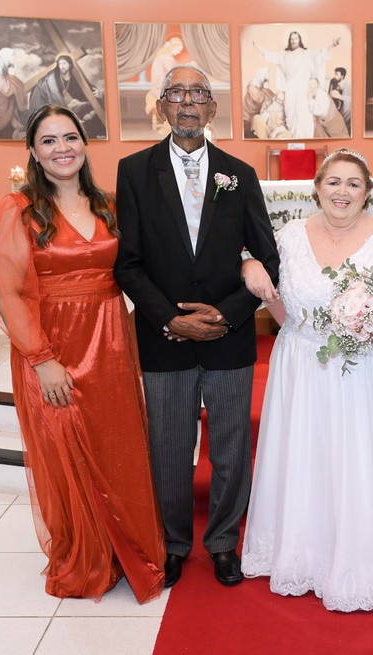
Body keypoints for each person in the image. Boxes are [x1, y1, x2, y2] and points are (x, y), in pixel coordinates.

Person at [239, 149, 373, 612]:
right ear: (317, 187)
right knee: (310, 453)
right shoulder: (290, 236)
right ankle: (305, 549)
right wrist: (253, 271)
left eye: (353, 184)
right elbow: (275, 297)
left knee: (359, 455)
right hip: (304, 365)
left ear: (368, 192)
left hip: (370, 367)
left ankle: (369, 550)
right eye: (333, 182)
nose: (342, 191)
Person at [0, 104, 166, 601]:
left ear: (84, 144)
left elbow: (137, 269)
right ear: (34, 152)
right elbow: (6, 291)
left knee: (116, 449)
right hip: (50, 345)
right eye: (49, 140)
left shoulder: (109, 204)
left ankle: (126, 548)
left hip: (108, 342)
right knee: (64, 451)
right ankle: (84, 557)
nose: (61, 148)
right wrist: (41, 359)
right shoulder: (19, 209)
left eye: (70, 137)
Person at [114, 65, 280, 589]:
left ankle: (226, 542)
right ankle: (175, 544)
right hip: (164, 339)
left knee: (231, 447)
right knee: (168, 449)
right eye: (177, 94)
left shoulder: (240, 173)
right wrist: (171, 319)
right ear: (162, 105)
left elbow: (267, 258)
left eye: (199, 95)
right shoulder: (133, 171)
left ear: (213, 108)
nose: (188, 103)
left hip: (229, 337)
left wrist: (227, 316)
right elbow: (128, 263)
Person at [253, 31, 341, 139]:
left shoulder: (306, 53)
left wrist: (333, 45)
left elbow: (320, 53)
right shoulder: (284, 55)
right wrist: (258, 47)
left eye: (296, 38)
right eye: (292, 39)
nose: (294, 41)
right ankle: (293, 141)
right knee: (290, 116)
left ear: (300, 40)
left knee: (304, 116)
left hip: (303, 91)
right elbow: (269, 55)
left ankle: (306, 141)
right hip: (290, 91)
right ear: (289, 41)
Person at [29, 54, 104, 139]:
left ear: (70, 64)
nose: (62, 66)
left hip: (68, 106)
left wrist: (96, 92)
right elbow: (53, 94)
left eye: (64, 63)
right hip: (51, 102)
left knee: (88, 115)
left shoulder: (74, 78)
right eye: (60, 64)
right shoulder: (53, 78)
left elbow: (85, 89)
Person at [0, 47, 28, 140]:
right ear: (5, 58)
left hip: (4, 102)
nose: (13, 60)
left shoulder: (2, 67)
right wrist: (12, 76)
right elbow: (7, 90)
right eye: (11, 57)